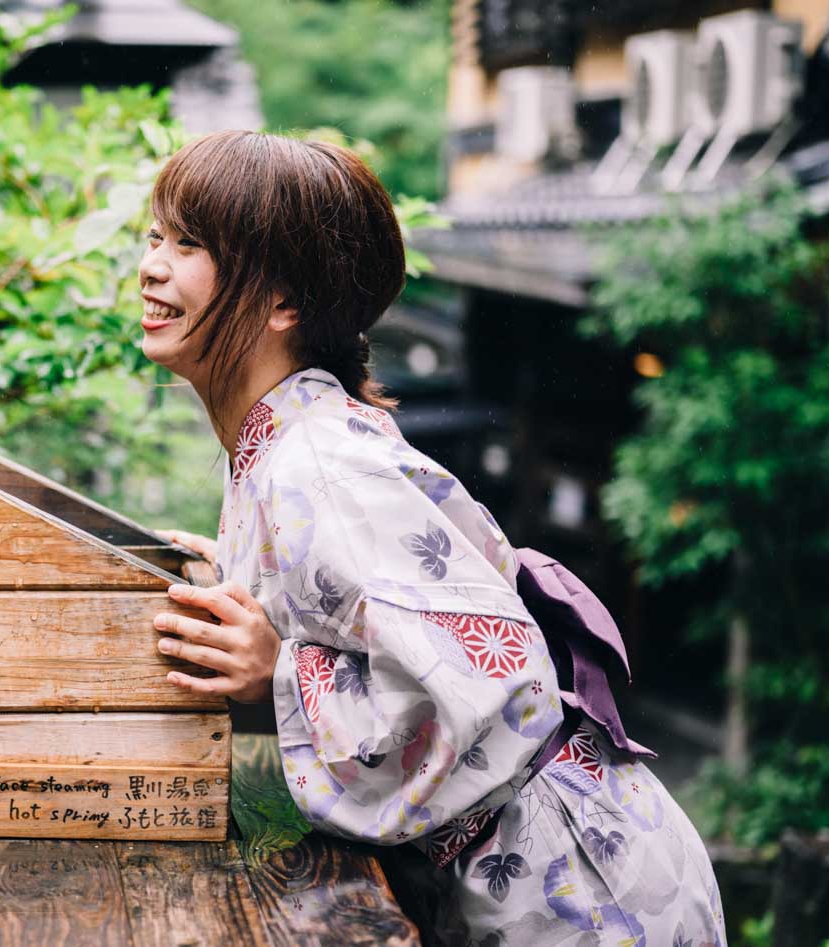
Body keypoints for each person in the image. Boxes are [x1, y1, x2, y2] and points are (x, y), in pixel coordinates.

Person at [141, 130, 725, 945]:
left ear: (282, 304)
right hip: (548, 859)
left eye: (189, 245)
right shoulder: (292, 442)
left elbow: (487, 673)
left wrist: (277, 670)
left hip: (581, 886)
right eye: (156, 236)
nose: (152, 266)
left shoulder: (320, 463)